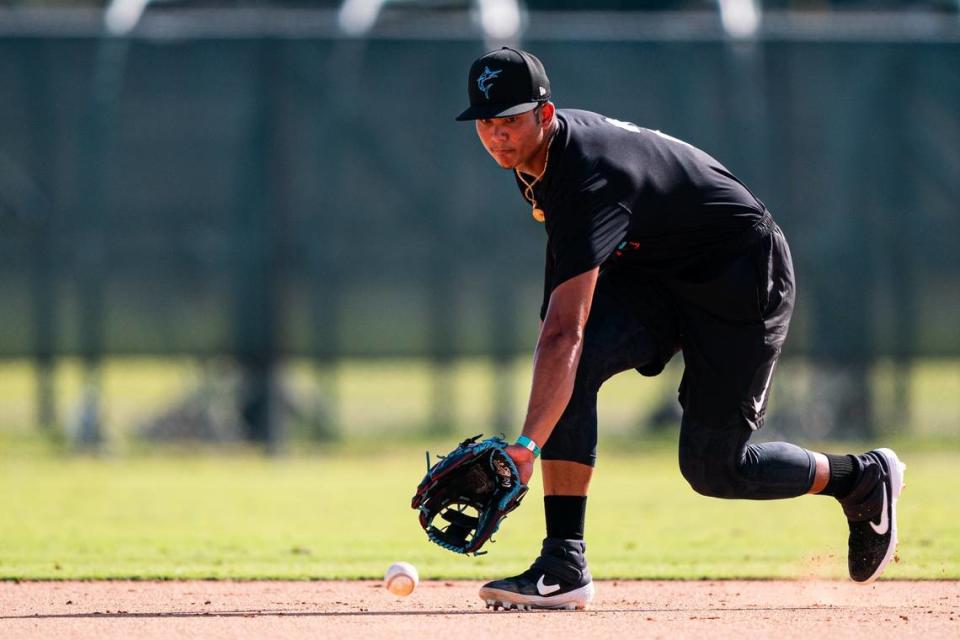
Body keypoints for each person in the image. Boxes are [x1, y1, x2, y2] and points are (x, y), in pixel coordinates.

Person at [454, 47, 905, 611]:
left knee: (715, 467)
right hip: (660, 274)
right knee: (575, 363)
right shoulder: (536, 159)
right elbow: (564, 332)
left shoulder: (587, 174)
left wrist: (526, 447)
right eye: (486, 123)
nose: (497, 136)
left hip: (739, 277)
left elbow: (561, 331)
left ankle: (859, 479)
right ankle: (564, 562)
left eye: (511, 120)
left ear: (545, 116)